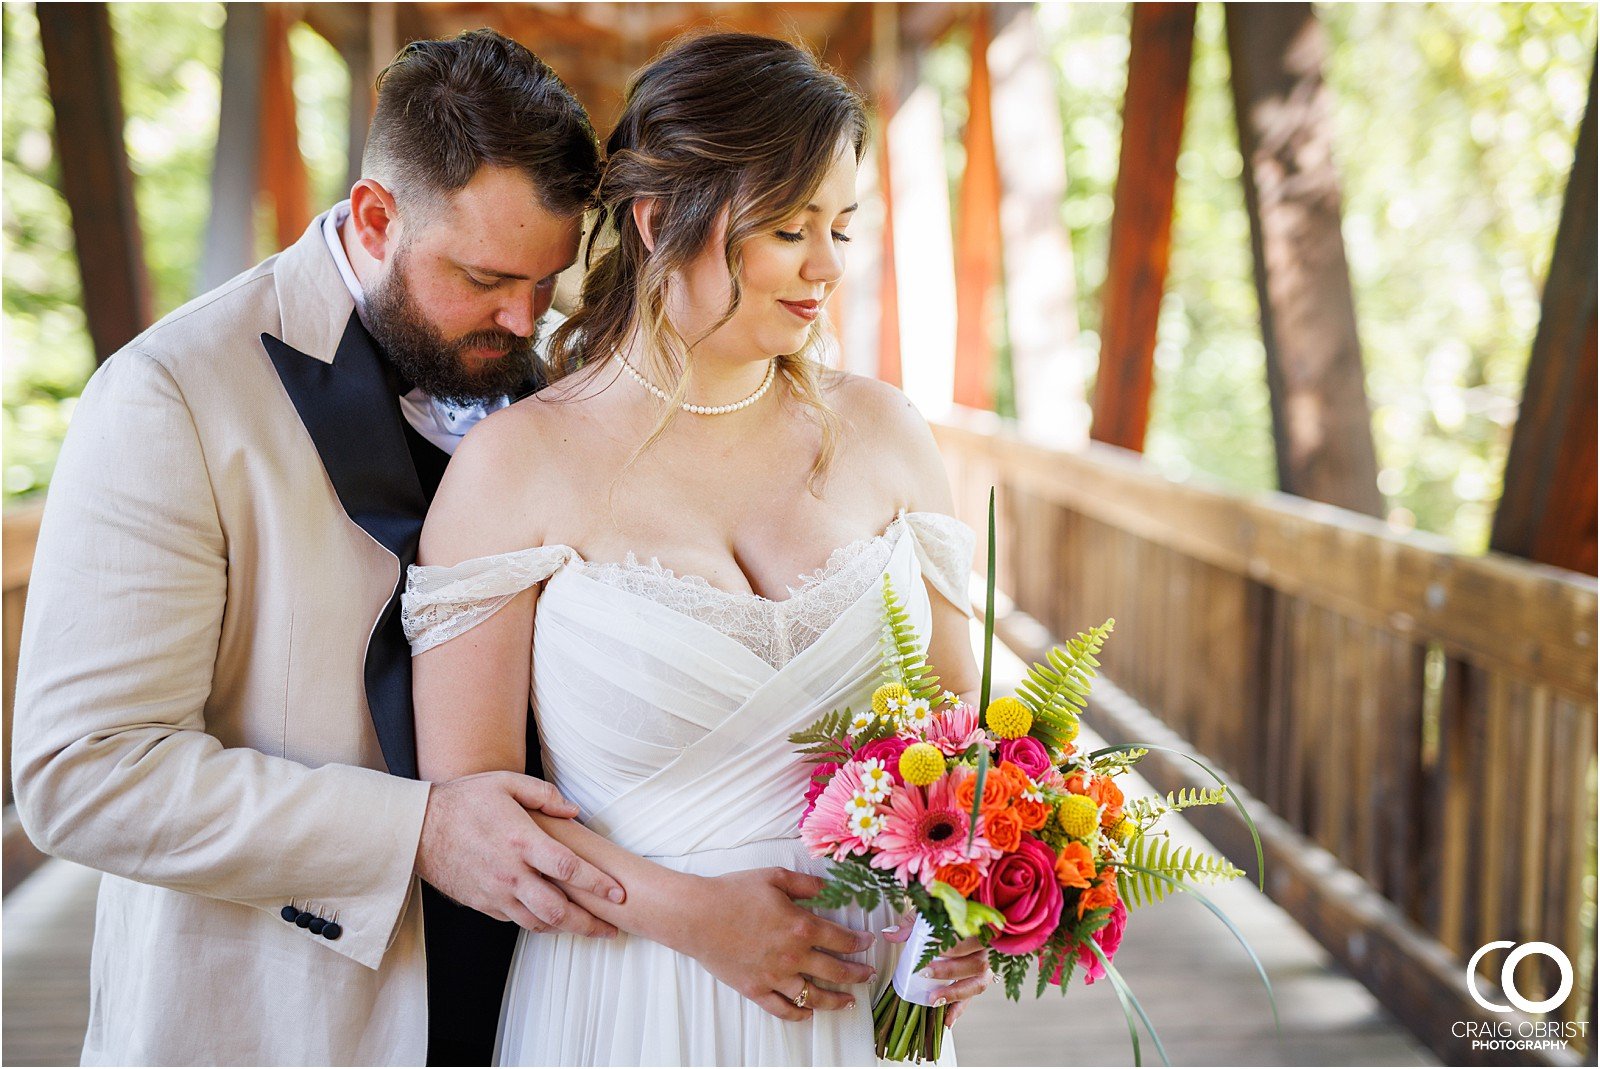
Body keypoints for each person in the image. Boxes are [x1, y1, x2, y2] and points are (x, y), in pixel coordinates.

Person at [11, 30, 626, 1066]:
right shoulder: (171, 393)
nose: (523, 320)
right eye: (483, 277)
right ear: (377, 216)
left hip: (546, 999)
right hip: (292, 1013)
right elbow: (86, 771)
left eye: (546, 279)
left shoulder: (551, 371)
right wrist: (418, 831)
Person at [403, 33, 993, 1066]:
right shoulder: (513, 468)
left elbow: (955, 758)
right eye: (786, 228)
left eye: (841, 227)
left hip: (863, 1012)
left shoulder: (887, 434)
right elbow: (475, 816)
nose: (825, 267)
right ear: (656, 219)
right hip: (632, 999)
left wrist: (963, 909)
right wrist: (689, 915)